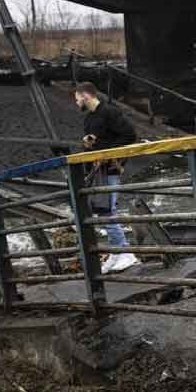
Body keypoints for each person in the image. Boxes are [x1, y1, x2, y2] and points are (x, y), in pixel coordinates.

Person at [74, 82, 140, 274]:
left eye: (77, 98)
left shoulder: (110, 112)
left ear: (85, 95)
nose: (76, 103)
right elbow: (95, 144)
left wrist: (107, 152)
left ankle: (125, 253)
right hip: (96, 171)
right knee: (102, 211)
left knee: (107, 210)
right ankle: (116, 252)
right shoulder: (88, 119)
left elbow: (130, 135)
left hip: (111, 168)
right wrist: (88, 144)